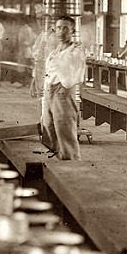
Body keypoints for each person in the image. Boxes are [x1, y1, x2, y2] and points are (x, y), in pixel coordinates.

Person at [41, 14, 87, 160]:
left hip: (63, 92)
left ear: (73, 31)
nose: (61, 31)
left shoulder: (75, 50)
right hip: (49, 91)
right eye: (59, 28)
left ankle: (71, 163)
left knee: (64, 130)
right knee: (48, 127)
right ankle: (55, 162)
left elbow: (74, 76)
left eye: (66, 28)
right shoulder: (55, 50)